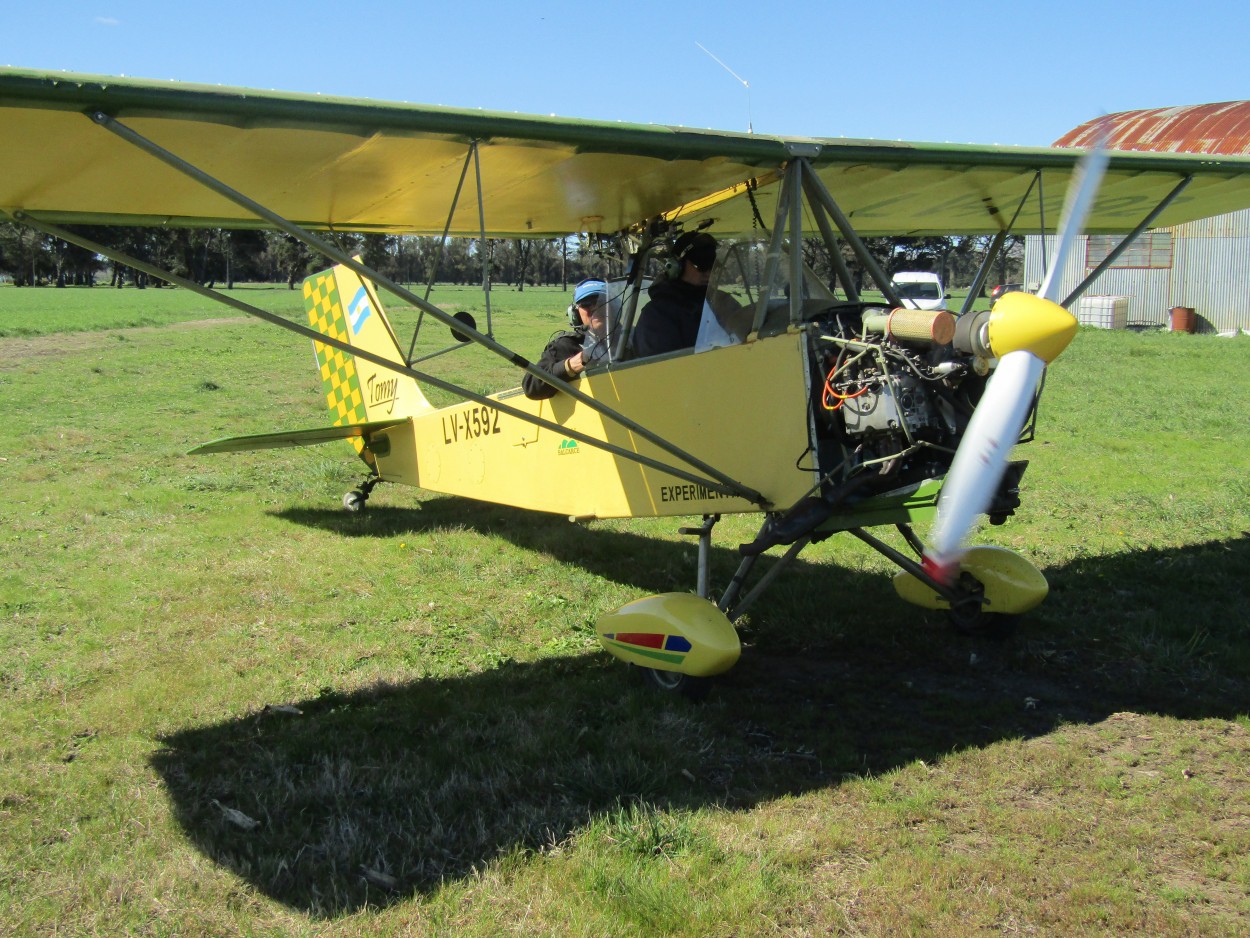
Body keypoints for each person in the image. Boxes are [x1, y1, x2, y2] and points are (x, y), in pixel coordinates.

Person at [632, 231, 718, 358]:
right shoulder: (657, 315)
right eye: (702, 264)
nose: (709, 272)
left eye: (713, 265)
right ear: (676, 266)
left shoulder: (719, 302)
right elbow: (662, 370)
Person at [522, 279, 611, 400]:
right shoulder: (566, 345)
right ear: (575, 313)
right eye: (586, 304)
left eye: (601, 301)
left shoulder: (631, 338)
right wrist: (572, 365)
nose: (594, 307)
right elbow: (531, 387)